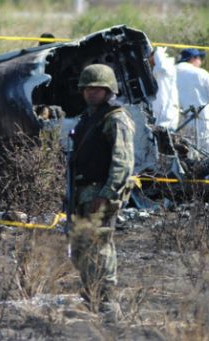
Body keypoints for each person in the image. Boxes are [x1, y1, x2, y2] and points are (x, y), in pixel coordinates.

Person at [68, 64, 136, 314]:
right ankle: (92, 298)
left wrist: (107, 194)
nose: (91, 92)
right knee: (81, 249)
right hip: (82, 193)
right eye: (87, 88)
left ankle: (107, 304)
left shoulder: (116, 119)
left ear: (109, 90)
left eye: (97, 88)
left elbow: (123, 162)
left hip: (100, 193)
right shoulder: (88, 119)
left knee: (99, 247)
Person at [175, 48, 209, 155]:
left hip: (179, 121)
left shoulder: (171, 72)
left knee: (184, 154)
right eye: (199, 58)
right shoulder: (200, 73)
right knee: (208, 153)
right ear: (193, 59)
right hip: (201, 119)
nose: (200, 61)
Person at [149, 46, 180, 130]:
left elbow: (162, 68)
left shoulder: (167, 68)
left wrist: (158, 51)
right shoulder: (158, 70)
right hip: (160, 115)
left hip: (166, 116)